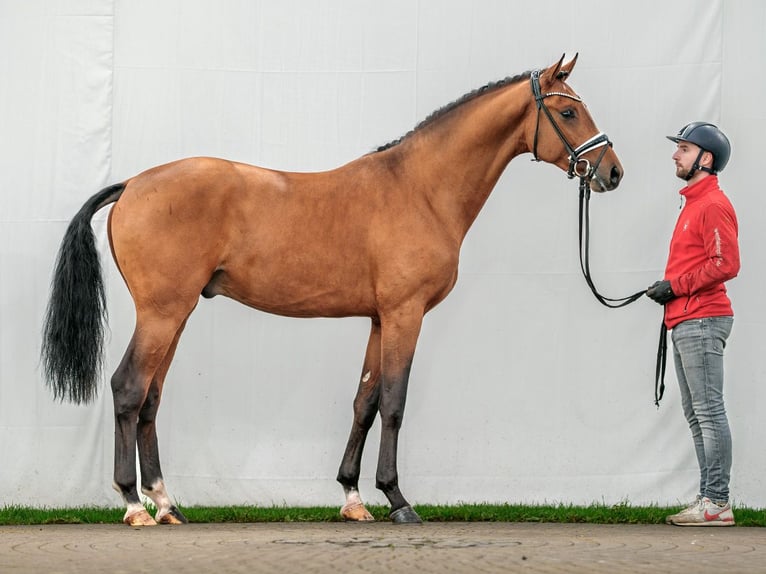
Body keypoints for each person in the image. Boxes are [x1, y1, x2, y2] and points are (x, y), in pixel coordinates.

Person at [646, 122, 740, 526]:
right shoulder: (694, 203)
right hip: (687, 318)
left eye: (683, 149)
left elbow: (726, 264)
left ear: (705, 158)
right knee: (696, 411)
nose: (675, 155)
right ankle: (710, 499)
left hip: (702, 318)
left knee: (708, 410)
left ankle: (717, 501)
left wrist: (675, 286)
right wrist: (670, 290)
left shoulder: (713, 204)